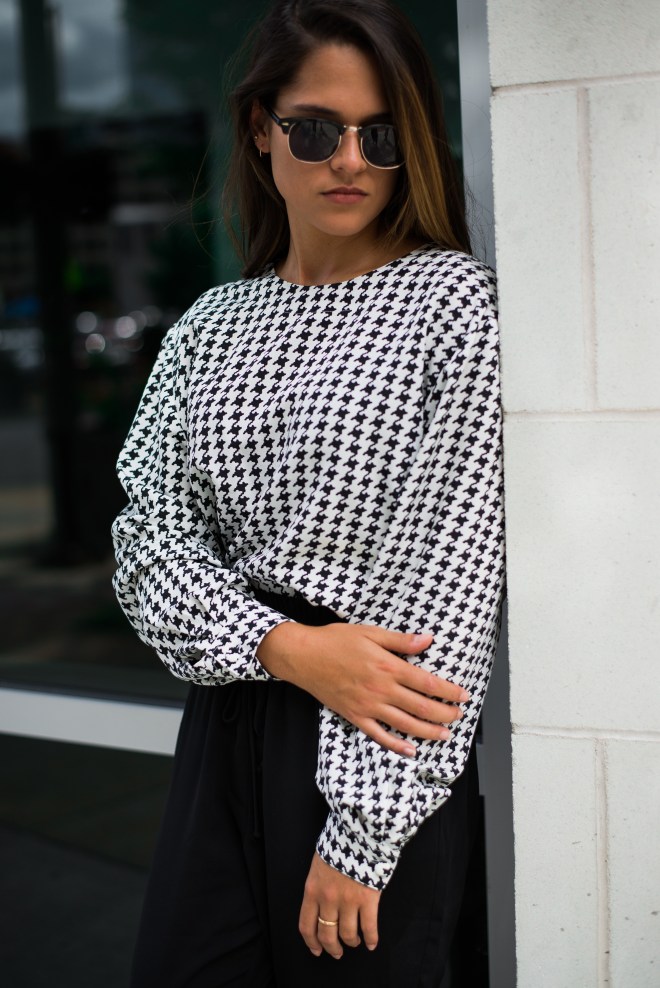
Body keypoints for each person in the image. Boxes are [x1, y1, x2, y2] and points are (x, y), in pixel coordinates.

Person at [111, 0, 506, 985]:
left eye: (380, 135)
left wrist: (363, 833)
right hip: (234, 715)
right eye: (317, 129)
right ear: (261, 128)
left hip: (378, 736)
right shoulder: (212, 323)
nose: (349, 161)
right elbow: (146, 541)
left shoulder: (449, 304)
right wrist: (282, 646)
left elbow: (448, 586)